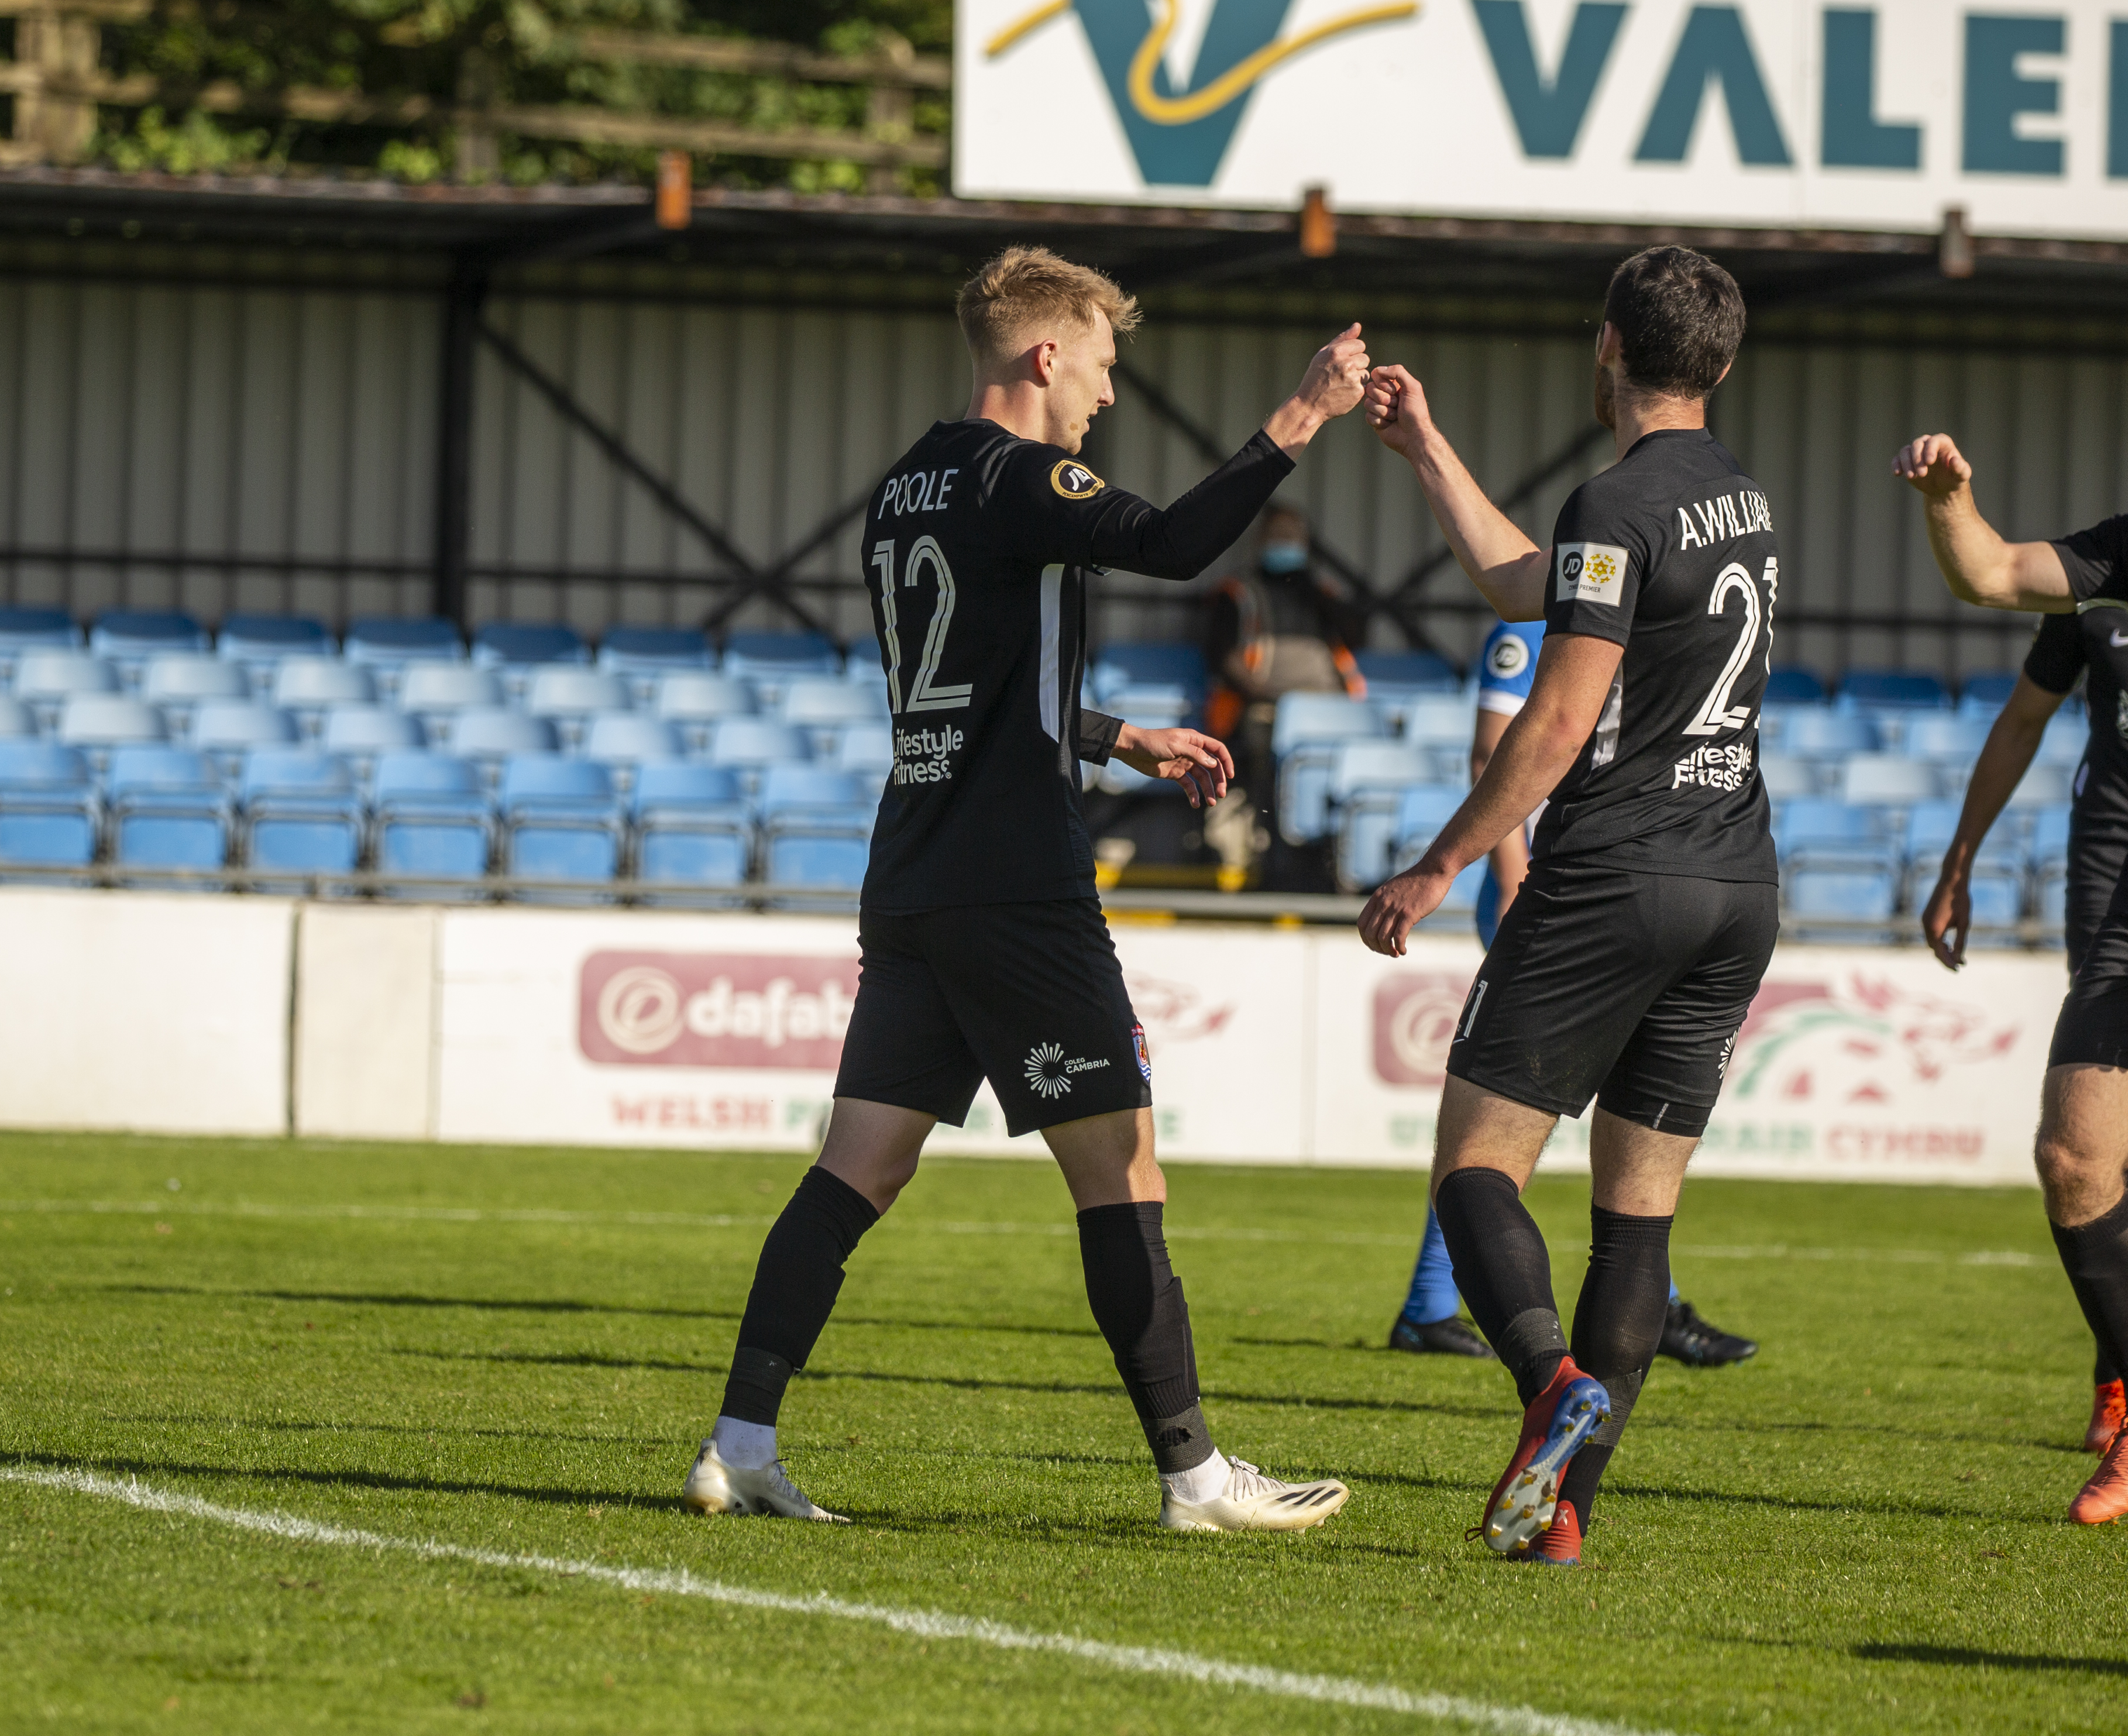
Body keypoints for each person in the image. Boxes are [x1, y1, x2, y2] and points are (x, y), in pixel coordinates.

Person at [680, 245, 1371, 1533]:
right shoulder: (1024, 476)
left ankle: (740, 1441)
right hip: (1018, 881)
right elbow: (1172, 544)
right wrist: (1302, 415)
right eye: (1102, 366)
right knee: (1121, 1167)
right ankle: (1194, 1475)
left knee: (857, 1169)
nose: (1108, 396)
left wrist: (1121, 737)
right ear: (1045, 355)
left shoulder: (904, 486)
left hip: (919, 871)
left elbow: (979, 679)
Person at [1356, 245, 1779, 1566]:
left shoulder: (1614, 501)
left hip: (1612, 878)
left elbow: (1553, 718)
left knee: (1474, 1168)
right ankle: (1562, 1512)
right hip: (1735, 882)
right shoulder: (1743, 501)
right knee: (1634, 1215)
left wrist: (1435, 862)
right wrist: (1426, 448)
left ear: (1606, 347)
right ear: (1719, 361)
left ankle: (1549, 1381)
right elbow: (1517, 585)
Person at [1387, 615, 1763, 1370]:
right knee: (1512, 1119)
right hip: (1561, 891)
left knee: (1522, 1124)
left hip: (1607, 881)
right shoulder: (1528, 625)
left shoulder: (1633, 613)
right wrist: (1507, 878)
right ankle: (1650, 1308)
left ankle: (1433, 1304)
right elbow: (1492, 747)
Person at [1892, 429, 2128, 1522]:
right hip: (2112, 894)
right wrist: (1952, 498)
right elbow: (1986, 571)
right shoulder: (2108, 570)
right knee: (2076, 1154)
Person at [1195, 505, 1368, 884]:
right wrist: (1273, 698)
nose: (1285, 543)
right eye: (1278, 535)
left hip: (1329, 711)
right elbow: (1221, 657)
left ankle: (1338, 865)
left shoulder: (1320, 591)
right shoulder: (1236, 592)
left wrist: (1315, 592)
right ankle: (1275, 861)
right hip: (1263, 709)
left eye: (1293, 536)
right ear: (1260, 540)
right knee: (1270, 760)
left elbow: (1357, 634)